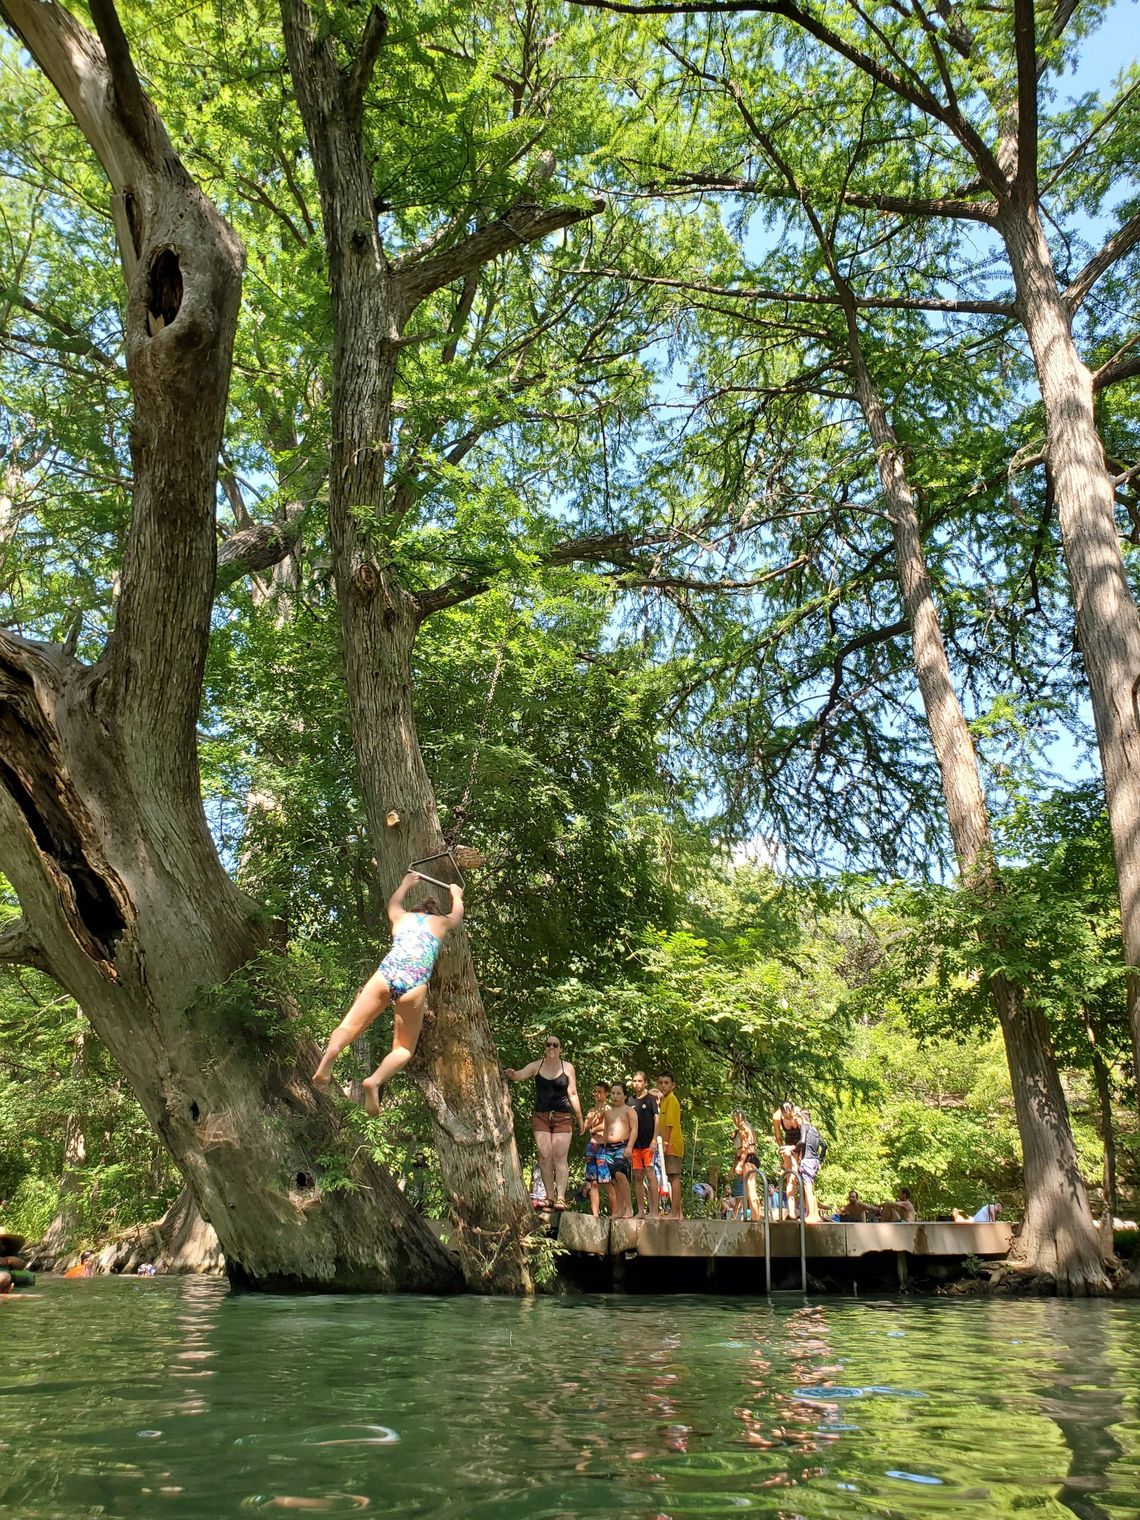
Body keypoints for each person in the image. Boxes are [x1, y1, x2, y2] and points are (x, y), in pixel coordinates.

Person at [313, 870, 464, 1113]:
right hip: (414, 982)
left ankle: (332, 1051)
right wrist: (456, 894)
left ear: (415, 909)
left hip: (388, 971)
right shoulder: (441, 922)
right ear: (433, 913)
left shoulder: (401, 917)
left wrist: (405, 883)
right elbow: (457, 915)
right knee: (403, 1048)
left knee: (349, 1026)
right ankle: (374, 1081)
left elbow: (393, 902)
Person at [505, 1035, 583, 1209]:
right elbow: (519, 1075)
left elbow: (572, 1094)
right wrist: (512, 1074)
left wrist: (580, 1117)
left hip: (562, 1116)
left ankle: (561, 1198)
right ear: (545, 1048)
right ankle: (549, 1197)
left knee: (560, 1156)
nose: (552, 1047)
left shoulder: (567, 1067)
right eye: (549, 1044)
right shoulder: (536, 1065)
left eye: (556, 1045)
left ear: (561, 1049)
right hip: (541, 1115)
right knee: (545, 1156)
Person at [628, 1071, 660, 1217]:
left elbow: (657, 1120)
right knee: (638, 1176)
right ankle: (640, 1210)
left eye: (640, 1081)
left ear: (645, 1083)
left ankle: (654, 1210)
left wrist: (654, 1139)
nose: (637, 1084)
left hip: (648, 1144)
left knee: (650, 1174)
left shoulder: (651, 1099)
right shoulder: (630, 1101)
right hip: (635, 1145)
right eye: (634, 1081)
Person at [604, 1081, 636, 1218]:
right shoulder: (608, 1112)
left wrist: (629, 1147)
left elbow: (634, 1129)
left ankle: (629, 1208)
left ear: (625, 1095)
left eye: (618, 1093)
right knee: (613, 1178)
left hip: (622, 1145)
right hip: (609, 1147)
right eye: (613, 1093)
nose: (615, 1096)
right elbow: (606, 1129)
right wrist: (604, 1144)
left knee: (620, 1174)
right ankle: (619, 1210)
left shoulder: (629, 1110)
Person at [657, 1070, 685, 1218]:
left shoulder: (672, 1101)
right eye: (660, 1083)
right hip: (665, 1143)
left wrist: (666, 1143)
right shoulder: (662, 1101)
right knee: (669, 1176)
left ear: (673, 1085)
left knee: (673, 1177)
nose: (663, 1086)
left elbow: (669, 1125)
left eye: (666, 1083)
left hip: (672, 1143)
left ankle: (675, 1212)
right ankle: (678, 1212)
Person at [582, 1083, 610, 1217]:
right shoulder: (591, 1110)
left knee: (608, 1180)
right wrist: (596, 1116)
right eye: (595, 1091)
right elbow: (585, 1127)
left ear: (606, 1094)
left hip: (603, 1146)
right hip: (592, 1145)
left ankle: (616, 1212)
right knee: (593, 1182)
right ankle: (595, 1215)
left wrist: (596, 1127)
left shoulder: (609, 1108)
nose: (596, 1094)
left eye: (599, 1092)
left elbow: (608, 1125)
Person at [795, 1108, 825, 1224]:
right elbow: (824, 1145)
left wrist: (794, 1149)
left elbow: (802, 1141)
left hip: (807, 1160)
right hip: (815, 1160)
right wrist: (820, 1160)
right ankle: (814, 1214)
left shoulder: (804, 1127)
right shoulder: (815, 1129)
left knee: (807, 1188)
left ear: (801, 1117)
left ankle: (811, 1215)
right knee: (811, 1188)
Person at [731, 1110, 762, 1221]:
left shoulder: (743, 1128)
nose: (733, 1121)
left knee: (751, 1189)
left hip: (748, 1158)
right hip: (750, 1158)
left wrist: (740, 1164)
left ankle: (755, 1217)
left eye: (734, 1118)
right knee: (749, 1190)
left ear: (738, 1118)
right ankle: (755, 1216)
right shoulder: (747, 1128)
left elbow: (745, 1148)